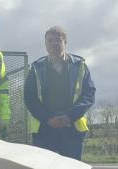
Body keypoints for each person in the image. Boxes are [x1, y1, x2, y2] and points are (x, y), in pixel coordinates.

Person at [25, 26, 95, 160]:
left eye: (58, 40)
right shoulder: (36, 68)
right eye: (50, 41)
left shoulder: (79, 66)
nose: (54, 44)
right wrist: (48, 118)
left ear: (65, 42)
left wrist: (69, 116)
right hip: (44, 129)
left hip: (72, 129)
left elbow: (89, 94)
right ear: (45, 44)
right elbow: (29, 98)